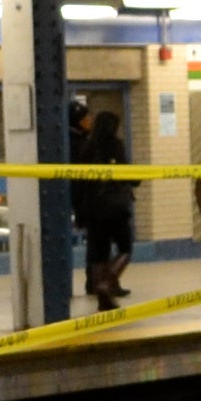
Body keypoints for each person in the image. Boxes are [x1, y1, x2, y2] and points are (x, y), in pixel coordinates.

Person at [69, 99, 134, 309]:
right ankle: (108, 282)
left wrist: (80, 211)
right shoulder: (115, 145)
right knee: (125, 247)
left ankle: (102, 299)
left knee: (99, 252)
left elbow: (78, 182)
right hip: (114, 207)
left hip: (92, 209)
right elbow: (126, 173)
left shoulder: (86, 148)